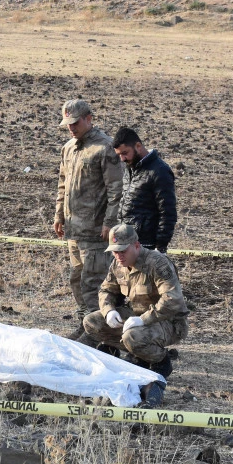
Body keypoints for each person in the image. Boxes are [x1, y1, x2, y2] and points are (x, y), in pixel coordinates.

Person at [82, 223, 188, 408]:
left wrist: (143, 319)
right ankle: (131, 352)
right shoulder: (117, 263)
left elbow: (173, 299)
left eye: (123, 250)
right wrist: (109, 311)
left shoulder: (157, 263)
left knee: (132, 336)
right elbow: (106, 290)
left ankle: (161, 362)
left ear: (137, 246)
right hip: (135, 314)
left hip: (167, 321)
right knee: (92, 322)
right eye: (115, 251)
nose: (118, 255)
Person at [53, 99, 122, 338]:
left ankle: (99, 331)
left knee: (94, 283)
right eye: (67, 124)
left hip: (95, 232)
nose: (71, 128)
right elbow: (63, 184)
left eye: (75, 123)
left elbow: (116, 190)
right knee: (77, 279)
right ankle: (86, 324)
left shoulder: (105, 148)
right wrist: (59, 214)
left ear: (89, 119)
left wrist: (109, 223)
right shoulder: (68, 148)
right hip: (73, 230)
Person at [113, 127, 177, 253]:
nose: (122, 159)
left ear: (138, 146)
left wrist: (160, 248)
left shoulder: (160, 171)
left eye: (125, 153)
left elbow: (167, 212)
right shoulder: (130, 168)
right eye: (119, 155)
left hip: (146, 247)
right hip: (126, 243)